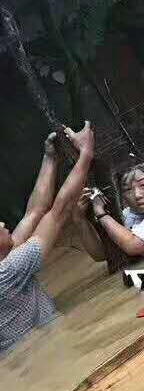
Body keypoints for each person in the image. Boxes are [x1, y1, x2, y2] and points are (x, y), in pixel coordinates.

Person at [0, 122, 95, 354]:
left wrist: (50, 159)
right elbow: (59, 212)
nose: (3, 224)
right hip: (48, 350)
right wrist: (86, 153)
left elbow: (35, 211)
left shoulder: (5, 263)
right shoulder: (8, 272)